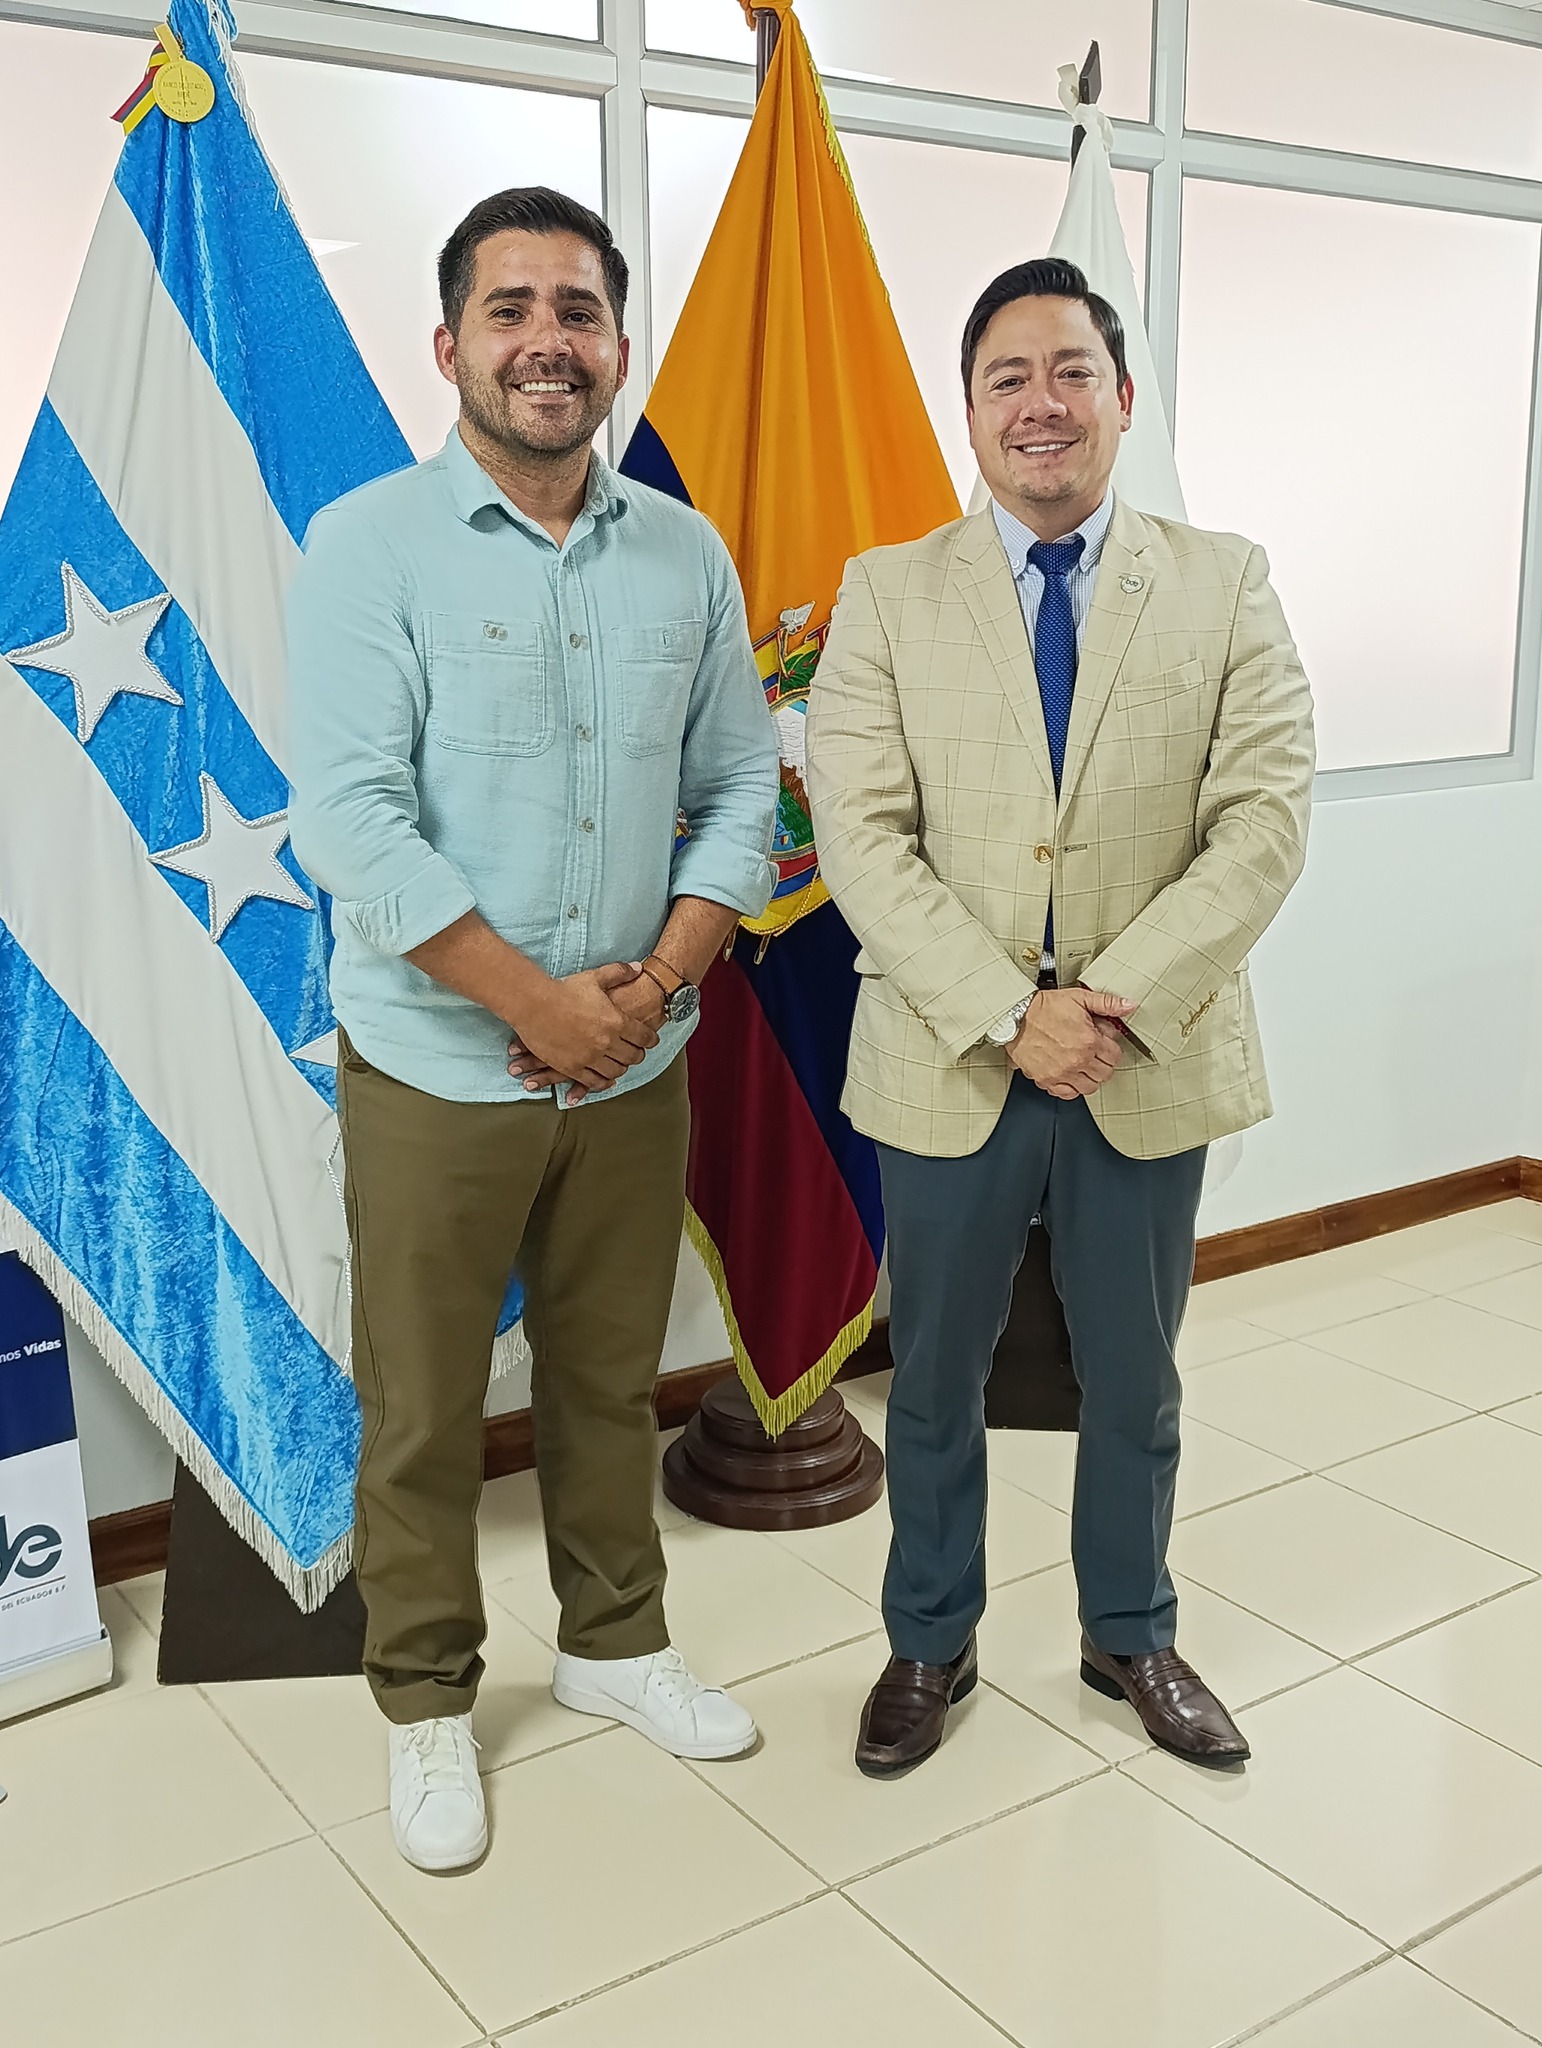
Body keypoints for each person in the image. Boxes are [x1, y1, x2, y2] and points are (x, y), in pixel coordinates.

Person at [288, 187, 780, 1870]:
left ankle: (615, 1645)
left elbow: (744, 787)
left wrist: (648, 989)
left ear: (615, 345)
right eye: (509, 310)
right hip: (437, 1067)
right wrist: (540, 1010)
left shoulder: (683, 552)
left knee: (606, 1375)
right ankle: (426, 1699)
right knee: (424, 1406)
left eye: (576, 309)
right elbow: (352, 821)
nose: (545, 340)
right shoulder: (367, 545)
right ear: (449, 347)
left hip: (636, 1058)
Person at [806, 257, 1314, 1778]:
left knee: (1135, 1378)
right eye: (1006, 378)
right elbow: (859, 836)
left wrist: (1106, 1004)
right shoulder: (886, 591)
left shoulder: (1223, 580)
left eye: (1070, 371)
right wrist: (1004, 1012)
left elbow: (1263, 822)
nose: (1041, 403)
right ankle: (927, 1640)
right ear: (969, 410)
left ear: (1121, 396)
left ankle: (1130, 1634)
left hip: (1138, 1056)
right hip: (950, 1056)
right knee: (932, 1380)